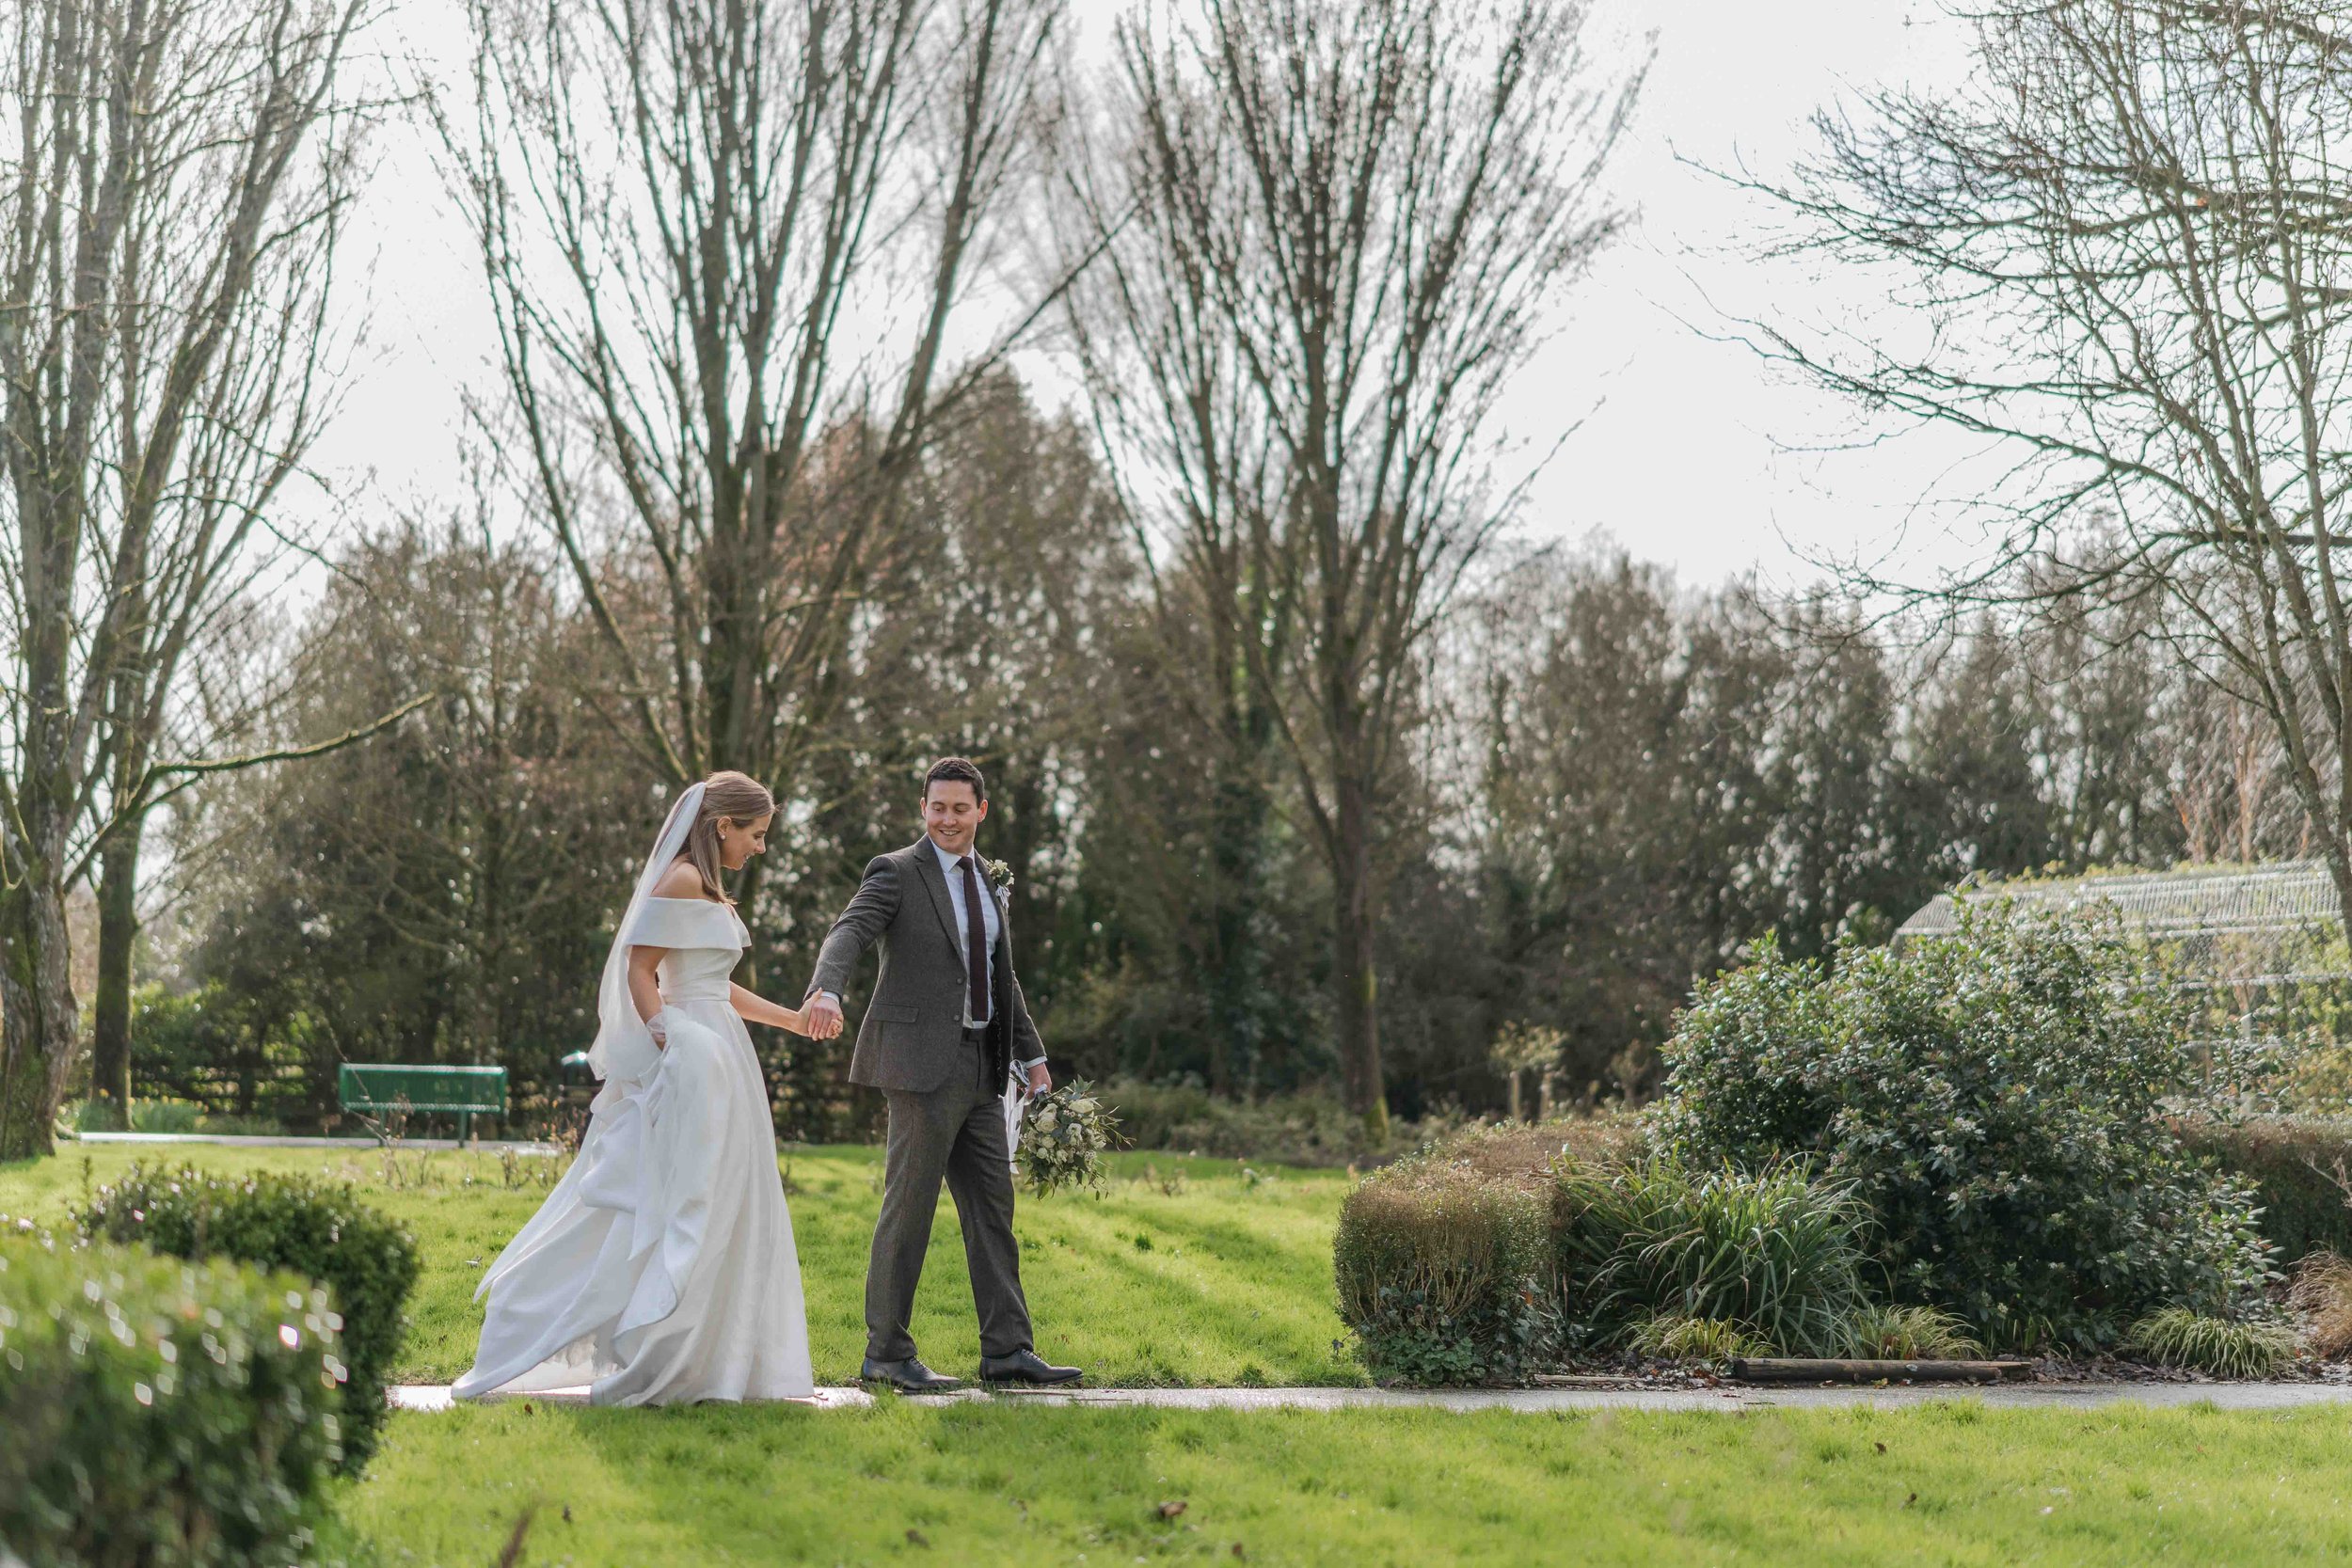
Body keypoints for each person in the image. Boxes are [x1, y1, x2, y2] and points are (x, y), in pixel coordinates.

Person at [453, 772, 818, 1405]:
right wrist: (665, 1036)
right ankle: (645, 1342)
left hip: (721, 1049)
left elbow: (711, 982)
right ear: (722, 825)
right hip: (692, 1055)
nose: (759, 847)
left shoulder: (706, 888)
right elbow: (639, 967)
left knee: (728, 1199)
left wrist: (791, 1018)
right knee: (683, 1198)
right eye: (755, 834)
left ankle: (711, 1357)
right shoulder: (679, 878)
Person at [803, 756, 1082, 1392]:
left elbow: (998, 975)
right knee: (910, 1209)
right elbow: (848, 931)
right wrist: (826, 989)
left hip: (983, 1067)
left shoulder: (989, 880)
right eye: (938, 807)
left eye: (960, 808)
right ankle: (887, 1353)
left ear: (981, 810)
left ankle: (1008, 1349)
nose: (948, 818)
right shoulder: (897, 873)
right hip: (919, 1068)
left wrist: (1032, 1057)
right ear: (922, 809)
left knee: (993, 1211)